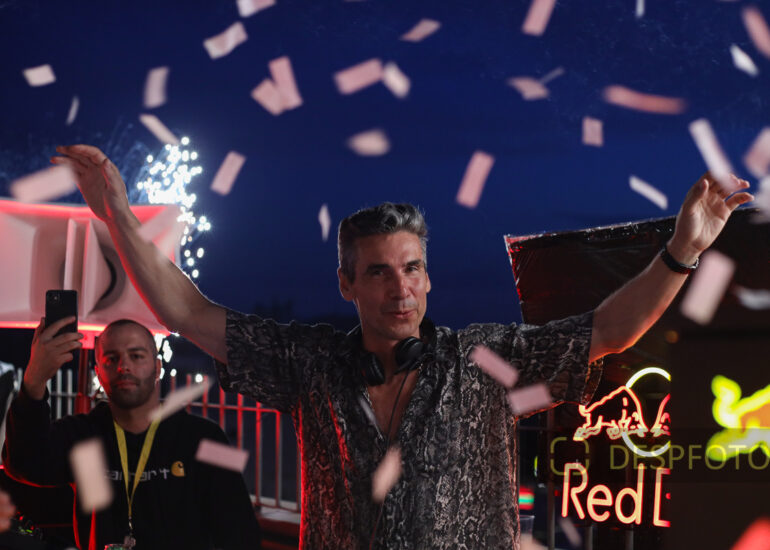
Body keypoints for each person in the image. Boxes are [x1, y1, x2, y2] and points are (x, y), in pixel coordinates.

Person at [53, 144, 752, 549]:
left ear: (429, 276)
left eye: (413, 268)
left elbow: (604, 332)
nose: (401, 289)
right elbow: (188, 312)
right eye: (379, 272)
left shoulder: (482, 362)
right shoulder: (312, 365)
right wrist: (117, 214)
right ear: (346, 283)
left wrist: (682, 251)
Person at [3, 318, 261, 550]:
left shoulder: (207, 438)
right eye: (111, 358)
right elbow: (22, 465)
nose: (124, 366)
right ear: (99, 373)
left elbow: (241, 531)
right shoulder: (81, 436)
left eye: (136, 356)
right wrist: (34, 380)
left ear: (157, 367)